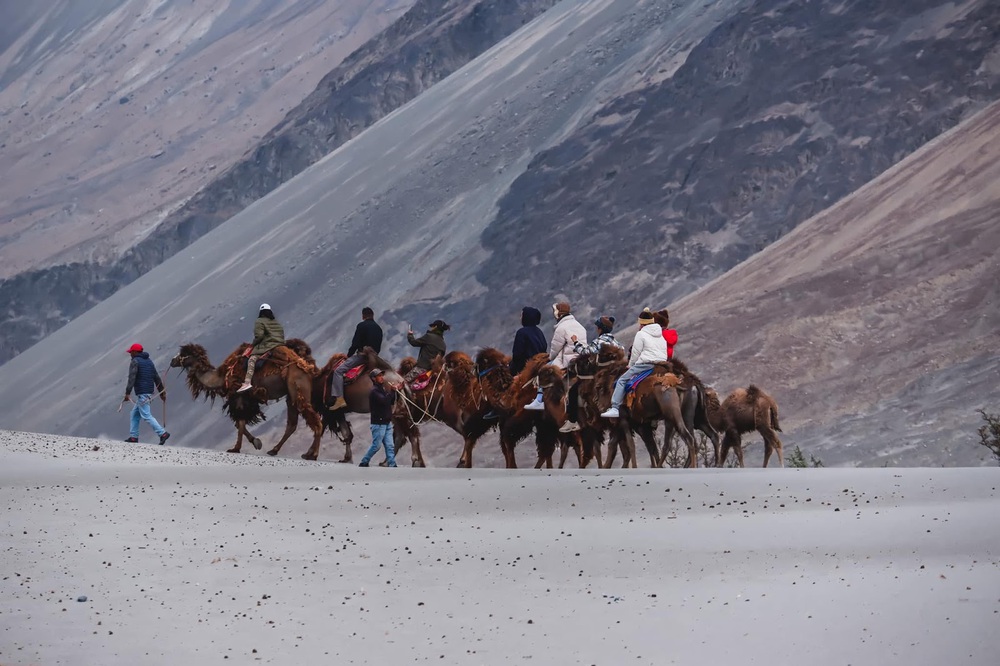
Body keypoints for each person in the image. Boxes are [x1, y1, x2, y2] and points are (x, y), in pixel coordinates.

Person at [559, 316, 624, 432]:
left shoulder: (599, 342)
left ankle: (572, 421)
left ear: (600, 329)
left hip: (600, 376)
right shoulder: (617, 343)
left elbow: (585, 352)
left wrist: (575, 342)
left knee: (573, 391)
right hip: (614, 375)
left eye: (597, 327)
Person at [601, 308, 668, 418]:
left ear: (642, 323)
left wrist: (630, 365)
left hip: (646, 364)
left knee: (622, 380)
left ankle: (615, 408)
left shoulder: (641, 334)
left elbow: (636, 352)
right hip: (662, 365)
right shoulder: (660, 334)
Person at [524, 302, 586, 410]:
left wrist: (550, 358)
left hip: (565, 360)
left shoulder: (561, 328)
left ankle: (539, 400)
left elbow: (555, 347)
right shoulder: (580, 326)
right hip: (580, 360)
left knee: (543, 370)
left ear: (559, 313)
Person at [328, 306, 384, 410]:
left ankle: (339, 399)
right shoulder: (379, 328)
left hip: (363, 357)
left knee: (338, 371)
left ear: (363, 316)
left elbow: (355, 344)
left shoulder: (361, 326)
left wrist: (348, 356)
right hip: (375, 358)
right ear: (372, 316)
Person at [122, 343, 170, 445]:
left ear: (135, 352)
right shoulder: (149, 362)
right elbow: (156, 377)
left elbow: (132, 378)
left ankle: (163, 433)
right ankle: (133, 437)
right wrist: (162, 393)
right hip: (148, 392)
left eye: (131, 352)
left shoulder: (135, 362)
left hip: (142, 392)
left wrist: (127, 393)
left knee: (146, 415)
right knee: (134, 414)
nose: (130, 354)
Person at [237, 303, 286, 392]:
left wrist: (254, 344)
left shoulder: (260, 321)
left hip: (268, 346)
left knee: (251, 359)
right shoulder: (276, 322)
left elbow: (259, 336)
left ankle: (247, 383)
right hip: (280, 345)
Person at [359, 368, 398, 467]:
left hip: (386, 422)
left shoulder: (382, 389)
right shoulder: (374, 391)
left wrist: (396, 391)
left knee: (390, 445)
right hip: (378, 423)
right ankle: (364, 461)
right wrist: (392, 391)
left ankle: (392, 464)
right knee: (376, 445)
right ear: (373, 379)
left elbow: (390, 401)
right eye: (379, 376)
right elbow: (384, 401)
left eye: (381, 375)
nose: (381, 378)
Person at [510, 306, 547, 375]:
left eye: (522, 315)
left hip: (526, 367)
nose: (520, 318)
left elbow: (517, 354)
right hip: (540, 364)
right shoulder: (539, 331)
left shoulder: (521, 332)